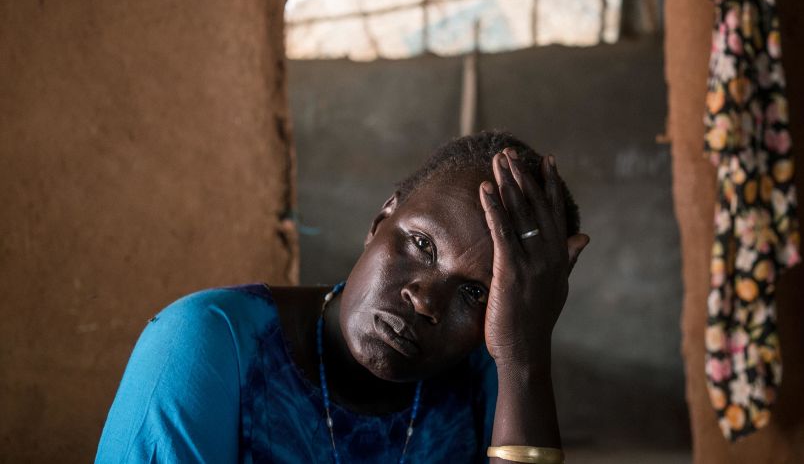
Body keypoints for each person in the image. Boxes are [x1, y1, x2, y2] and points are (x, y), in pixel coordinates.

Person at [96, 131, 590, 463]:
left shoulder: (491, 379)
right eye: (421, 245)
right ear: (380, 221)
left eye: (476, 292)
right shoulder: (210, 343)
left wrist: (525, 358)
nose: (423, 299)